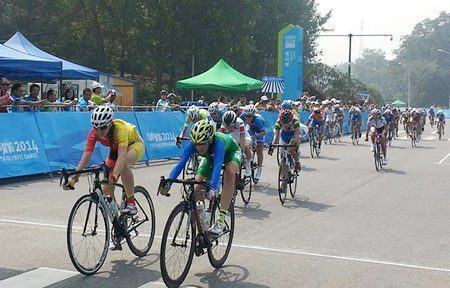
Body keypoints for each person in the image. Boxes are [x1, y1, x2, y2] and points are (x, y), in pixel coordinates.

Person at [64, 105, 145, 248]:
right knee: (107, 191)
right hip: (115, 151)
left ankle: (131, 202)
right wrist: (74, 178)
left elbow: (120, 157)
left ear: (110, 123)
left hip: (133, 145)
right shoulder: (94, 133)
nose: (99, 132)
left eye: (103, 128)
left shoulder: (120, 129)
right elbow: (86, 155)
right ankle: (119, 228)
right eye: (96, 127)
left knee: (124, 163)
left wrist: (114, 176)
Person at [159, 119, 241, 235]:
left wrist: (212, 188)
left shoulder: (218, 142)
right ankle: (204, 222)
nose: (199, 147)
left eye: (203, 144)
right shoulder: (195, 143)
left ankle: (221, 220)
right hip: (210, 158)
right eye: (197, 144)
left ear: (210, 139)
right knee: (197, 186)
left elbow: (217, 165)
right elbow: (181, 163)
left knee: (229, 172)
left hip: (231, 153)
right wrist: (168, 184)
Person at [220, 110, 252, 176]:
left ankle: (248, 165)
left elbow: (242, 138)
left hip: (244, 136)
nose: (228, 129)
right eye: (227, 127)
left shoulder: (240, 122)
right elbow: (221, 138)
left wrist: (242, 151)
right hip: (233, 137)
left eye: (231, 126)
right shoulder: (223, 125)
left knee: (246, 146)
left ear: (234, 122)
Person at [240, 105, 266, 182]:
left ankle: (259, 170)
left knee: (259, 149)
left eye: (249, 116)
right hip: (250, 129)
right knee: (246, 140)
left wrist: (255, 136)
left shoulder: (258, 120)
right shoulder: (242, 116)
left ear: (253, 115)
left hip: (259, 131)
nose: (247, 118)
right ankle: (248, 155)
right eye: (246, 116)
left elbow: (263, 132)